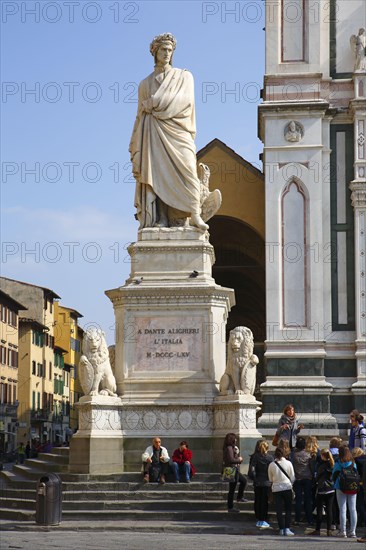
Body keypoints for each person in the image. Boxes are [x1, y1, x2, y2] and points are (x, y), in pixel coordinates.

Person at [129, 33, 208, 231]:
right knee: (156, 173)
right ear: (155, 53)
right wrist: (135, 145)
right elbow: (140, 116)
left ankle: (194, 213)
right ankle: (161, 218)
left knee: (189, 169)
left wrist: (155, 103)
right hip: (153, 133)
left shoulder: (184, 76)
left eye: (170, 50)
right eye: (163, 50)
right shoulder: (145, 84)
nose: (166, 53)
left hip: (179, 131)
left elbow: (185, 102)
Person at [332, 446, 359, 538]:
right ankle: (353, 531)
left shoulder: (338, 462)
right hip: (352, 487)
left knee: (342, 510)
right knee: (353, 509)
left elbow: (334, 474)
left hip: (340, 487)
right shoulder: (353, 463)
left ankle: (343, 531)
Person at [268, 447, 296, 536]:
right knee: (288, 509)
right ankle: (287, 528)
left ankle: (281, 528)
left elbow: (270, 478)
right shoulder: (288, 463)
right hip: (287, 487)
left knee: (279, 510)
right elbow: (292, 477)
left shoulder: (271, 464)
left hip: (276, 488)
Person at [308, 448, 335, 537]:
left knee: (319, 509)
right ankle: (329, 530)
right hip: (331, 488)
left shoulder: (321, 465)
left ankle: (318, 529)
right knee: (329, 509)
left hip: (322, 488)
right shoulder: (332, 464)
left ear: (323, 456)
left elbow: (317, 476)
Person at [248, 439, 274, 528]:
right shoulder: (270, 458)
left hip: (258, 481)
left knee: (258, 500)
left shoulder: (255, 457)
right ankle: (263, 519)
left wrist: (254, 478)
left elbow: (252, 469)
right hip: (266, 482)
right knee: (264, 501)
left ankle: (258, 518)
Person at [222, 433, 248, 513]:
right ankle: (230, 507)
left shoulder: (231, 448)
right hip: (231, 470)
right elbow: (231, 460)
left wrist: (236, 455)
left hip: (234, 469)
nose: (236, 440)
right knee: (232, 489)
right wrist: (239, 459)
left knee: (244, 480)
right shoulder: (229, 448)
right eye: (235, 438)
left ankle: (239, 497)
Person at [291, 436, 313, 526]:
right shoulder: (308, 454)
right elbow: (311, 466)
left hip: (298, 478)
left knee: (298, 499)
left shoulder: (293, 455)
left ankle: (297, 519)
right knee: (308, 499)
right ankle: (309, 519)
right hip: (307, 478)